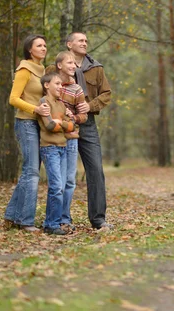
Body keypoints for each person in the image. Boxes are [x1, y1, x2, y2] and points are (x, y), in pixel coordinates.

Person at [66, 32, 112, 230]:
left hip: (88, 123)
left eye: (86, 41)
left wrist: (90, 105)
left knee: (96, 170)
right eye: (80, 41)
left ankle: (98, 219)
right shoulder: (58, 65)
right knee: (64, 173)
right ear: (70, 44)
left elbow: (107, 93)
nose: (85, 43)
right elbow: (47, 89)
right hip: (63, 123)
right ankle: (61, 218)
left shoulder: (96, 68)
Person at [4, 34, 50, 232]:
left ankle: (12, 215)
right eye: (39, 45)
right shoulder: (24, 69)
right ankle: (26, 221)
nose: (43, 48)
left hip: (40, 125)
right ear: (30, 49)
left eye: (45, 45)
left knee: (29, 171)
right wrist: (35, 109)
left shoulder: (44, 71)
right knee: (32, 172)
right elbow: (13, 99)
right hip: (25, 123)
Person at [53, 51, 88, 232]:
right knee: (56, 183)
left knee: (69, 181)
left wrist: (74, 117)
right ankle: (53, 219)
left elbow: (83, 116)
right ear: (59, 65)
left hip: (71, 139)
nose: (73, 66)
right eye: (69, 63)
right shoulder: (52, 85)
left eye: (75, 63)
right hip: (53, 139)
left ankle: (64, 218)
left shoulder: (77, 89)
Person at [38, 72, 76, 236]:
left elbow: (72, 125)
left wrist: (63, 122)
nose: (61, 87)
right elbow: (50, 126)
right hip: (50, 148)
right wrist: (63, 123)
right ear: (47, 85)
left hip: (63, 147)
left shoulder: (61, 104)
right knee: (56, 187)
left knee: (60, 187)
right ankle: (51, 224)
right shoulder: (43, 102)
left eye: (61, 84)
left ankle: (55, 221)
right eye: (57, 84)